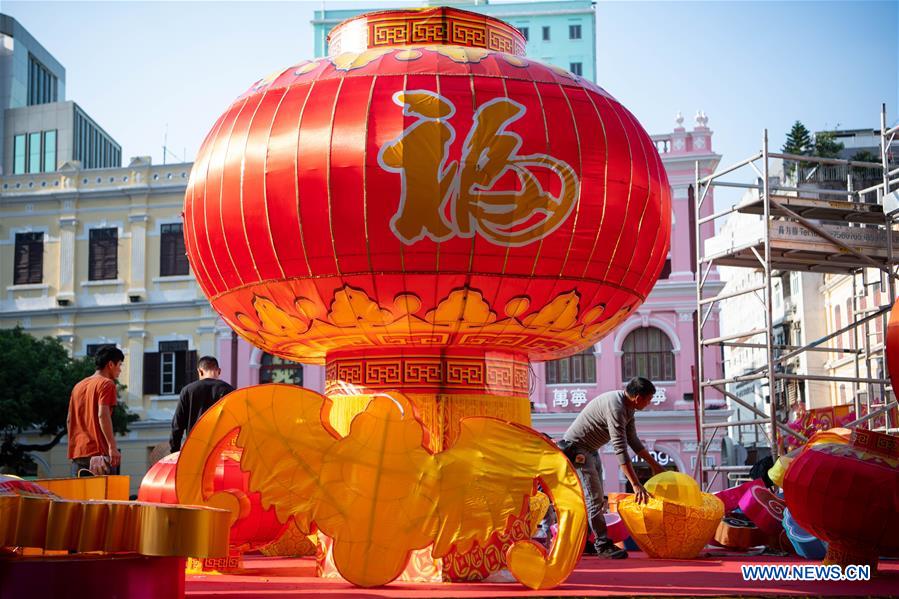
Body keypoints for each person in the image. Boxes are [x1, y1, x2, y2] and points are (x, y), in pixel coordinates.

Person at [559, 376, 665, 559]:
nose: (649, 403)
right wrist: (635, 484)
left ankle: (584, 542)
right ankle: (602, 545)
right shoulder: (615, 407)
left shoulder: (629, 409)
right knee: (594, 498)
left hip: (591, 450)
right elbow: (620, 449)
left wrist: (655, 465)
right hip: (577, 450)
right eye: (648, 399)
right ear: (637, 397)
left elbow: (633, 441)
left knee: (596, 500)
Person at [67, 345, 125, 476]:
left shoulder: (78, 386)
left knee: (79, 496)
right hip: (99, 455)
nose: (120, 370)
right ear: (110, 364)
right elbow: (102, 415)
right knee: (103, 496)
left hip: (78, 454)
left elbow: (69, 419)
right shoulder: (107, 384)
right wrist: (112, 446)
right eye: (119, 365)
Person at [169, 356, 235, 453]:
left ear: (200, 371)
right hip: (220, 452)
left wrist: (174, 451)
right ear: (219, 371)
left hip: (195, 450)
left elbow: (177, 426)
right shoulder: (229, 391)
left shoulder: (188, 390)